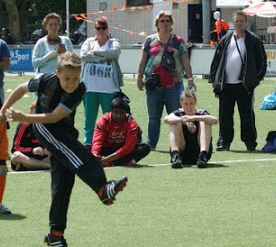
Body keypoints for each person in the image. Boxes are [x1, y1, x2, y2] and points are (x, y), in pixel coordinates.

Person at [0, 52, 128, 247]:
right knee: (81, 155)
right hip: (45, 128)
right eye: (67, 78)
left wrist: (24, 117)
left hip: (58, 126)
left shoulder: (80, 90)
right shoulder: (45, 79)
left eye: (75, 78)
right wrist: (2, 111)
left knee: (63, 183)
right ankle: (102, 189)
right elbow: (22, 88)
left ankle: (56, 233)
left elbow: (55, 116)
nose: (71, 83)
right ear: (57, 74)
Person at [209, 10, 267, 151]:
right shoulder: (225, 40)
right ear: (233, 23)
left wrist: (254, 81)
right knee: (225, 115)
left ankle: (250, 143)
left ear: (246, 22)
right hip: (226, 84)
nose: (239, 23)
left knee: (247, 115)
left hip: (244, 85)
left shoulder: (253, 40)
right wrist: (214, 79)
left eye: (242, 21)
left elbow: (262, 62)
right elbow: (216, 61)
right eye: (236, 21)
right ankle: (224, 142)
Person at [137, 9, 194, 150]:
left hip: (174, 85)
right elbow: (142, 61)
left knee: (176, 116)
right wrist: (139, 77)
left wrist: (190, 79)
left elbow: (185, 61)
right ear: (157, 24)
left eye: (168, 21)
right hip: (153, 85)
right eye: (162, 21)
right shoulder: (149, 40)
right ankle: (151, 144)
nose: (165, 23)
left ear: (171, 23)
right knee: (153, 117)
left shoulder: (178, 41)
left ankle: (177, 143)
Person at [80, 16, 123, 146]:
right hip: (89, 88)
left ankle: (109, 143)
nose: (101, 30)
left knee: (110, 119)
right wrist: (102, 58)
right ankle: (88, 143)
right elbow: (83, 55)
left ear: (108, 29)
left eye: (104, 28)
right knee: (89, 119)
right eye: (98, 28)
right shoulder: (89, 41)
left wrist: (94, 52)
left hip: (108, 89)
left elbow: (115, 53)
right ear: (95, 29)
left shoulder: (114, 42)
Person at [164, 90, 218, 169]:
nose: (189, 107)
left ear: (195, 102)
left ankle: (203, 155)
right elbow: (166, 119)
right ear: (181, 103)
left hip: (199, 153)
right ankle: (175, 156)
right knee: (174, 122)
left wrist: (193, 118)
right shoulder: (178, 113)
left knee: (205, 121)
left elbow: (214, 120)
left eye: (191, 103)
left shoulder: (201, 113)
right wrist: (183, 120)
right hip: (182, 153)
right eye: (186, 104)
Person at [91, 97, 151, 167]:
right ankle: (123, 162)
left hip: (122, 150)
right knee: (87, 148)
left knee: (145, 147)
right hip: (106, 148)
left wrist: (107, 159)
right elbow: (97, 141)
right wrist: (95, 155)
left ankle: (109, 163)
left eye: (122, 113)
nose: (119, 116)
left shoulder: (131, 122)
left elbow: (128, 147)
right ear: (111, 111)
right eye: (116, 112)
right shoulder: (103, 121)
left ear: (126, 113)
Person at [10, 103, 51, 171]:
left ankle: (33, 166)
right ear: (31, 111)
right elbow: (15, 148)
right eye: (36, 112)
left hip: (43, 158)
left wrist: (49, 150)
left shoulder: (48, 125)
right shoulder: (24, 124)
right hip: (27, 157)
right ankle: (47, 166)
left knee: (58, 155)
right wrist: (32, 150)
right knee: (16, 156)